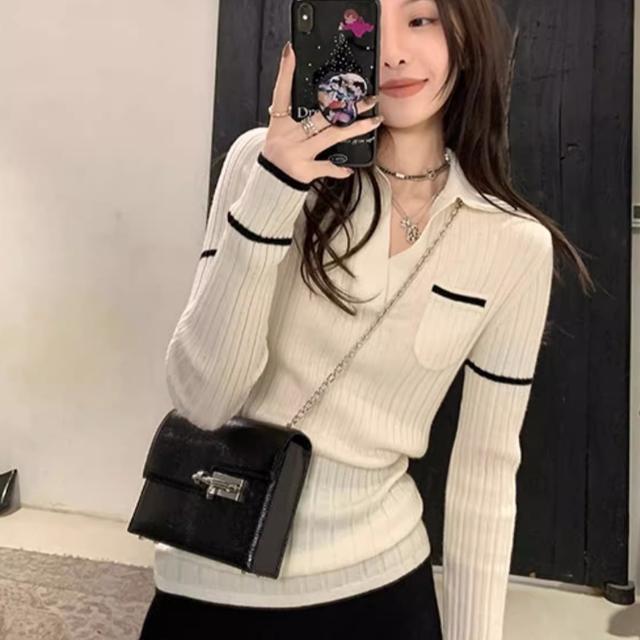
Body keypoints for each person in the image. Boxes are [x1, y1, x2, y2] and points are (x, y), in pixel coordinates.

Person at [138, 0, 594, 638]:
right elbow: (204, 399)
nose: (393, 53)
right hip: (209, 581)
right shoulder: (258, 162)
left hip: (383, 589)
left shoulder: (513, 244)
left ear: (465, 34)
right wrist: (275, 188)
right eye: (366, 23)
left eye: (420, 19)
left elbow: (485, 474)